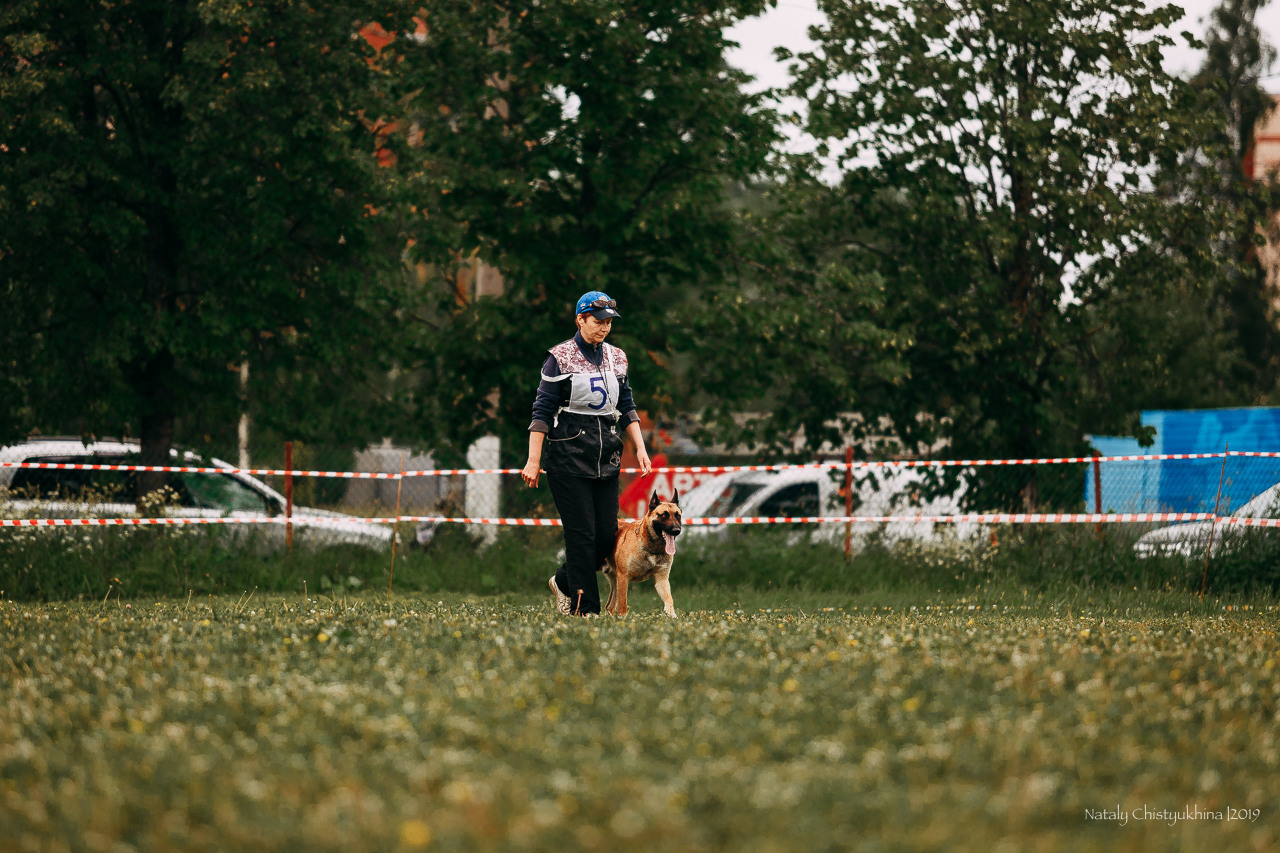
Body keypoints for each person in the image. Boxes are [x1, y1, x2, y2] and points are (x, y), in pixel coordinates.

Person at [521, 290, 652, 616]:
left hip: (606, 460)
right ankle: (586, 610)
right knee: (580, 536)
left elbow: (626, 407)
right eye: (598, 321)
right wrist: (533, 461)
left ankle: (563, 580)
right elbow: (542, 412)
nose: (604, 327)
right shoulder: (559, 358)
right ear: (580, 319)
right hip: (568, 459)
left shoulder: (617, 357)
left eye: (609, 322)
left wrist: (640, 447)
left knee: (606, 537)